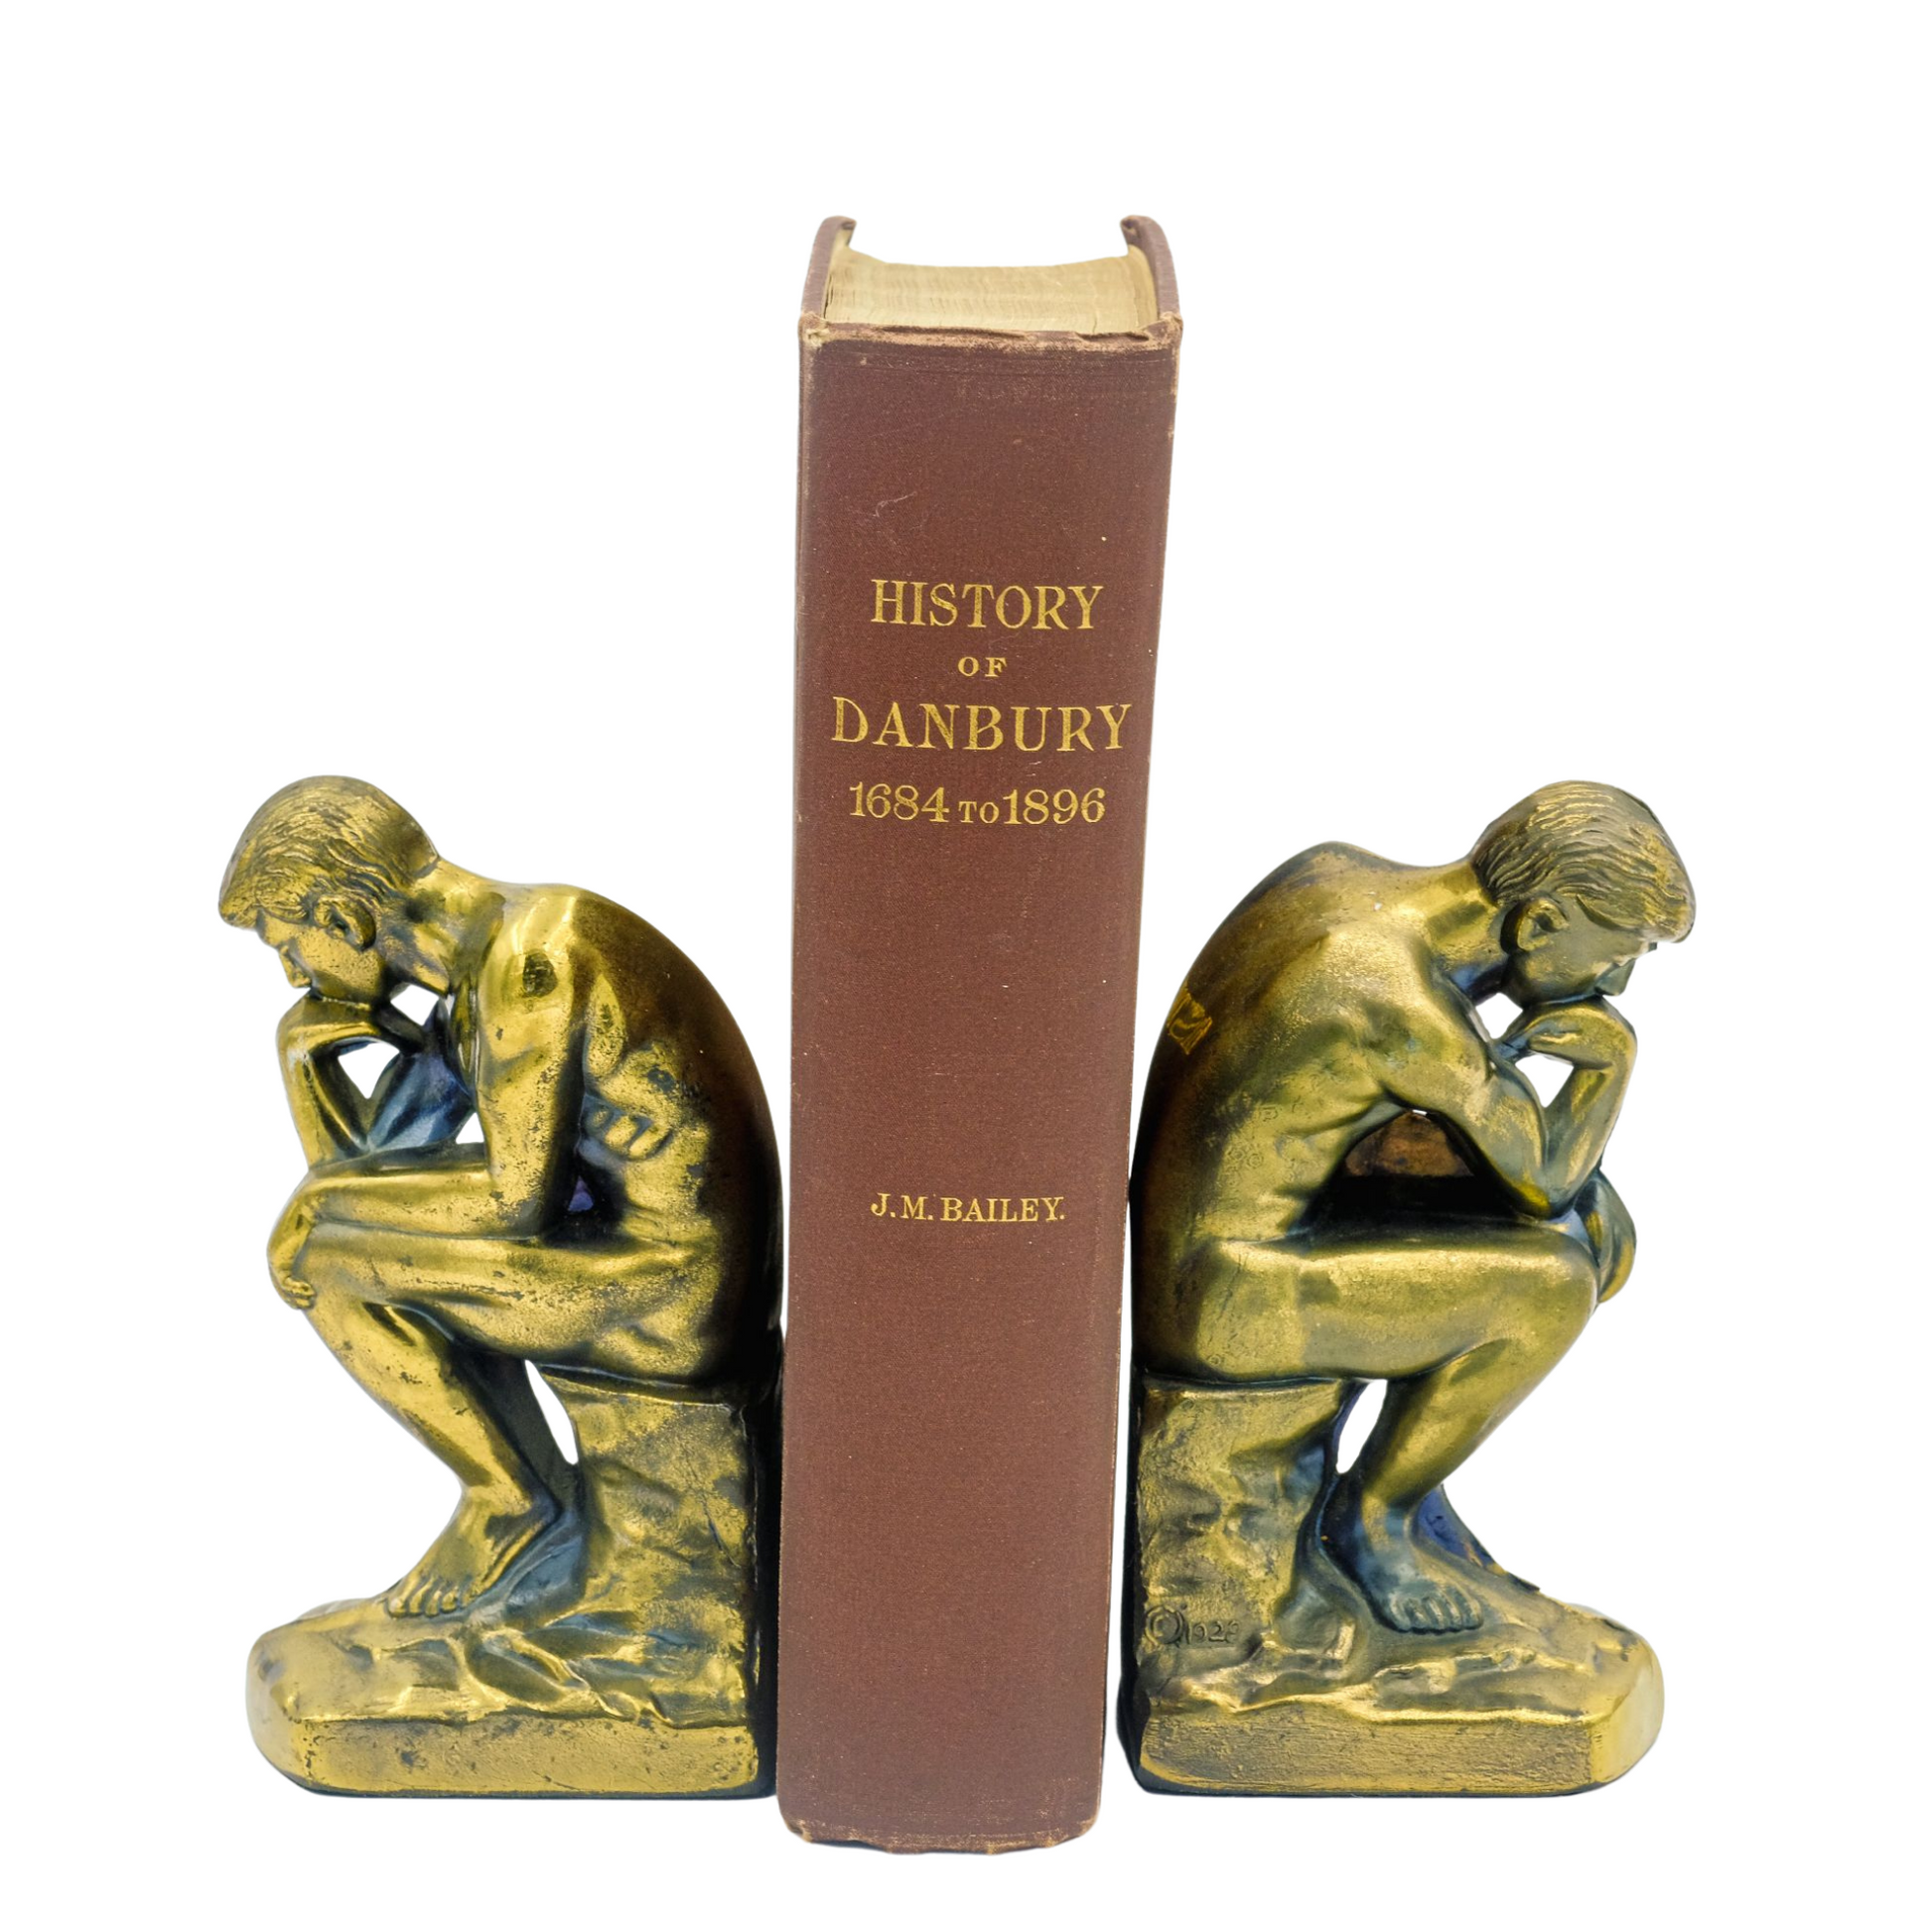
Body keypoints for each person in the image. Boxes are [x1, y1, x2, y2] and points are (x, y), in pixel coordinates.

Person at [1132, 781, 1693, 1636]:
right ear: (1541, 920)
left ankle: (1414, 1485)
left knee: (1599, 1230)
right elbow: (1544, 1179)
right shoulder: (1398, 998)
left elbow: (1349, 1111)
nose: (1616, 981)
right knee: (1553, 1284)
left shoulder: (1333, 873)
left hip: (1212, 1235)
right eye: (1620, 954)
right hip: (1219, 1291)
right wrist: (1610, 1065)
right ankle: (1374, 1517)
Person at [219, 776, 779, 1617]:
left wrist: (318, 1206)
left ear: (344, 917)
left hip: (673, 1284)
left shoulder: (531, 964)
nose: (294, 972)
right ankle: (516, 1496)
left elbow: (516, 1200)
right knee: (319, 1247)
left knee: (319, 1256)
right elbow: (379, 1168)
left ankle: (509, 1498)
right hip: (621, 1253)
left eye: (288, 945)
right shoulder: (472, 980)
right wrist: (302, 1063)